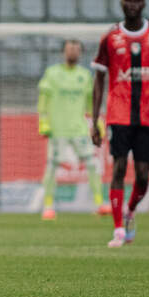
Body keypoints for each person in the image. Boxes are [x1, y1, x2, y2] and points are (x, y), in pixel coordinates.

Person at [91, 0, 149, 248]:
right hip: (118, 114)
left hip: (147, 116)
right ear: (121, 3)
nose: (132, 5)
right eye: (128, 0)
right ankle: (117, 229)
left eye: (137, 1)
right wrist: (95, 121)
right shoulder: (111, 37)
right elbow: (99, 80)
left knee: (143, 176)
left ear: (144, 3)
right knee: (117, 168)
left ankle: (130, 210)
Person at [37, 39, 109, 220]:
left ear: (81, 53)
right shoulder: (52, 73)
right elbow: (43, 99)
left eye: (77, 49)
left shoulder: (85, 75)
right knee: (52, 167)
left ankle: (100, 203)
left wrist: (97, 122)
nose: (73, 52)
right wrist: (43, 121)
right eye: (70, 49)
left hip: (78, 129)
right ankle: (48, 207)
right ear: (63, 52)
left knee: (93, 164)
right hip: (57, 129)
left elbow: (91, 103)